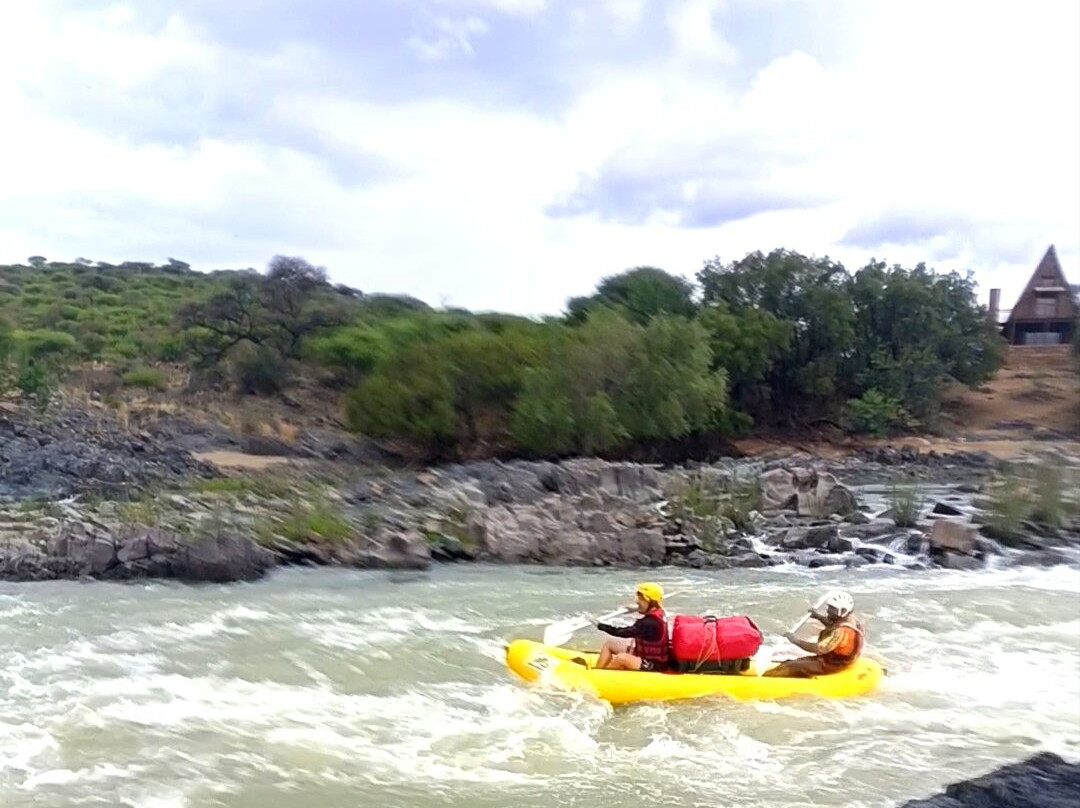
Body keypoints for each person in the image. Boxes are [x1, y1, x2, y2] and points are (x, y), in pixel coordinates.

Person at [763, 590, 863, 678]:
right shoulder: (846, 619)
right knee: (788, 662)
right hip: (831, 658)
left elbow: (819, 649)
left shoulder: (843, 630)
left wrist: (795, 641)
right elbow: (832, 625)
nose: (828, 610)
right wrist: (818, 616)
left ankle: (764, 682)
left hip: (834, 664)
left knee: (792, 666)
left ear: (843, 611)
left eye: (832, 608)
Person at [592, 582, 671, 671]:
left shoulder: (649, 623)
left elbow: (621, 632)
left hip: (654, 664)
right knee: (609, 644)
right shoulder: (659, 611)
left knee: (621, 658)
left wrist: (600, 626)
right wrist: (636, 608)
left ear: (651, 602)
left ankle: (602, 678)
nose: (637, 601)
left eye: (641, 599)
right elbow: (649, 608)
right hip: (644, 655)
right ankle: (597, 670)